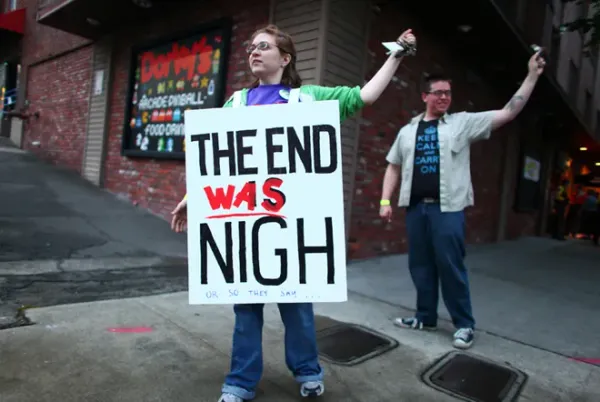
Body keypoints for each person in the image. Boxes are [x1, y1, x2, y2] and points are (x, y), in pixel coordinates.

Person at [171, 24, 417, 402]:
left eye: (264, 46)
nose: (254, 51)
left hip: (292, 226)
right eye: (252, 47)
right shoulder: (235, 104)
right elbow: (216, 164)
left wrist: (396, 54)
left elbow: (364, 96)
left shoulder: (308, 100)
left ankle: (307, 371)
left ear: (285, 58)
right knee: (246, 308)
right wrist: (193, 197)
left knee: (298, 307)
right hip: (248, 223)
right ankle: (239, 382)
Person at [378, 49, 546, 349]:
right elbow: (393, 165)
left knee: (451, 267)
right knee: (420, 267)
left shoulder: (462, 123)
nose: (444, 97)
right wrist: (385, 200)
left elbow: (508, 112)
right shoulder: (407, 132)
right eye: (438, 93)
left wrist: (531, 76)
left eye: (448, 93)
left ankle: (464, 325)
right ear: (424, 96)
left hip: (448, 210)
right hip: (416, 210)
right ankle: (425, 317)